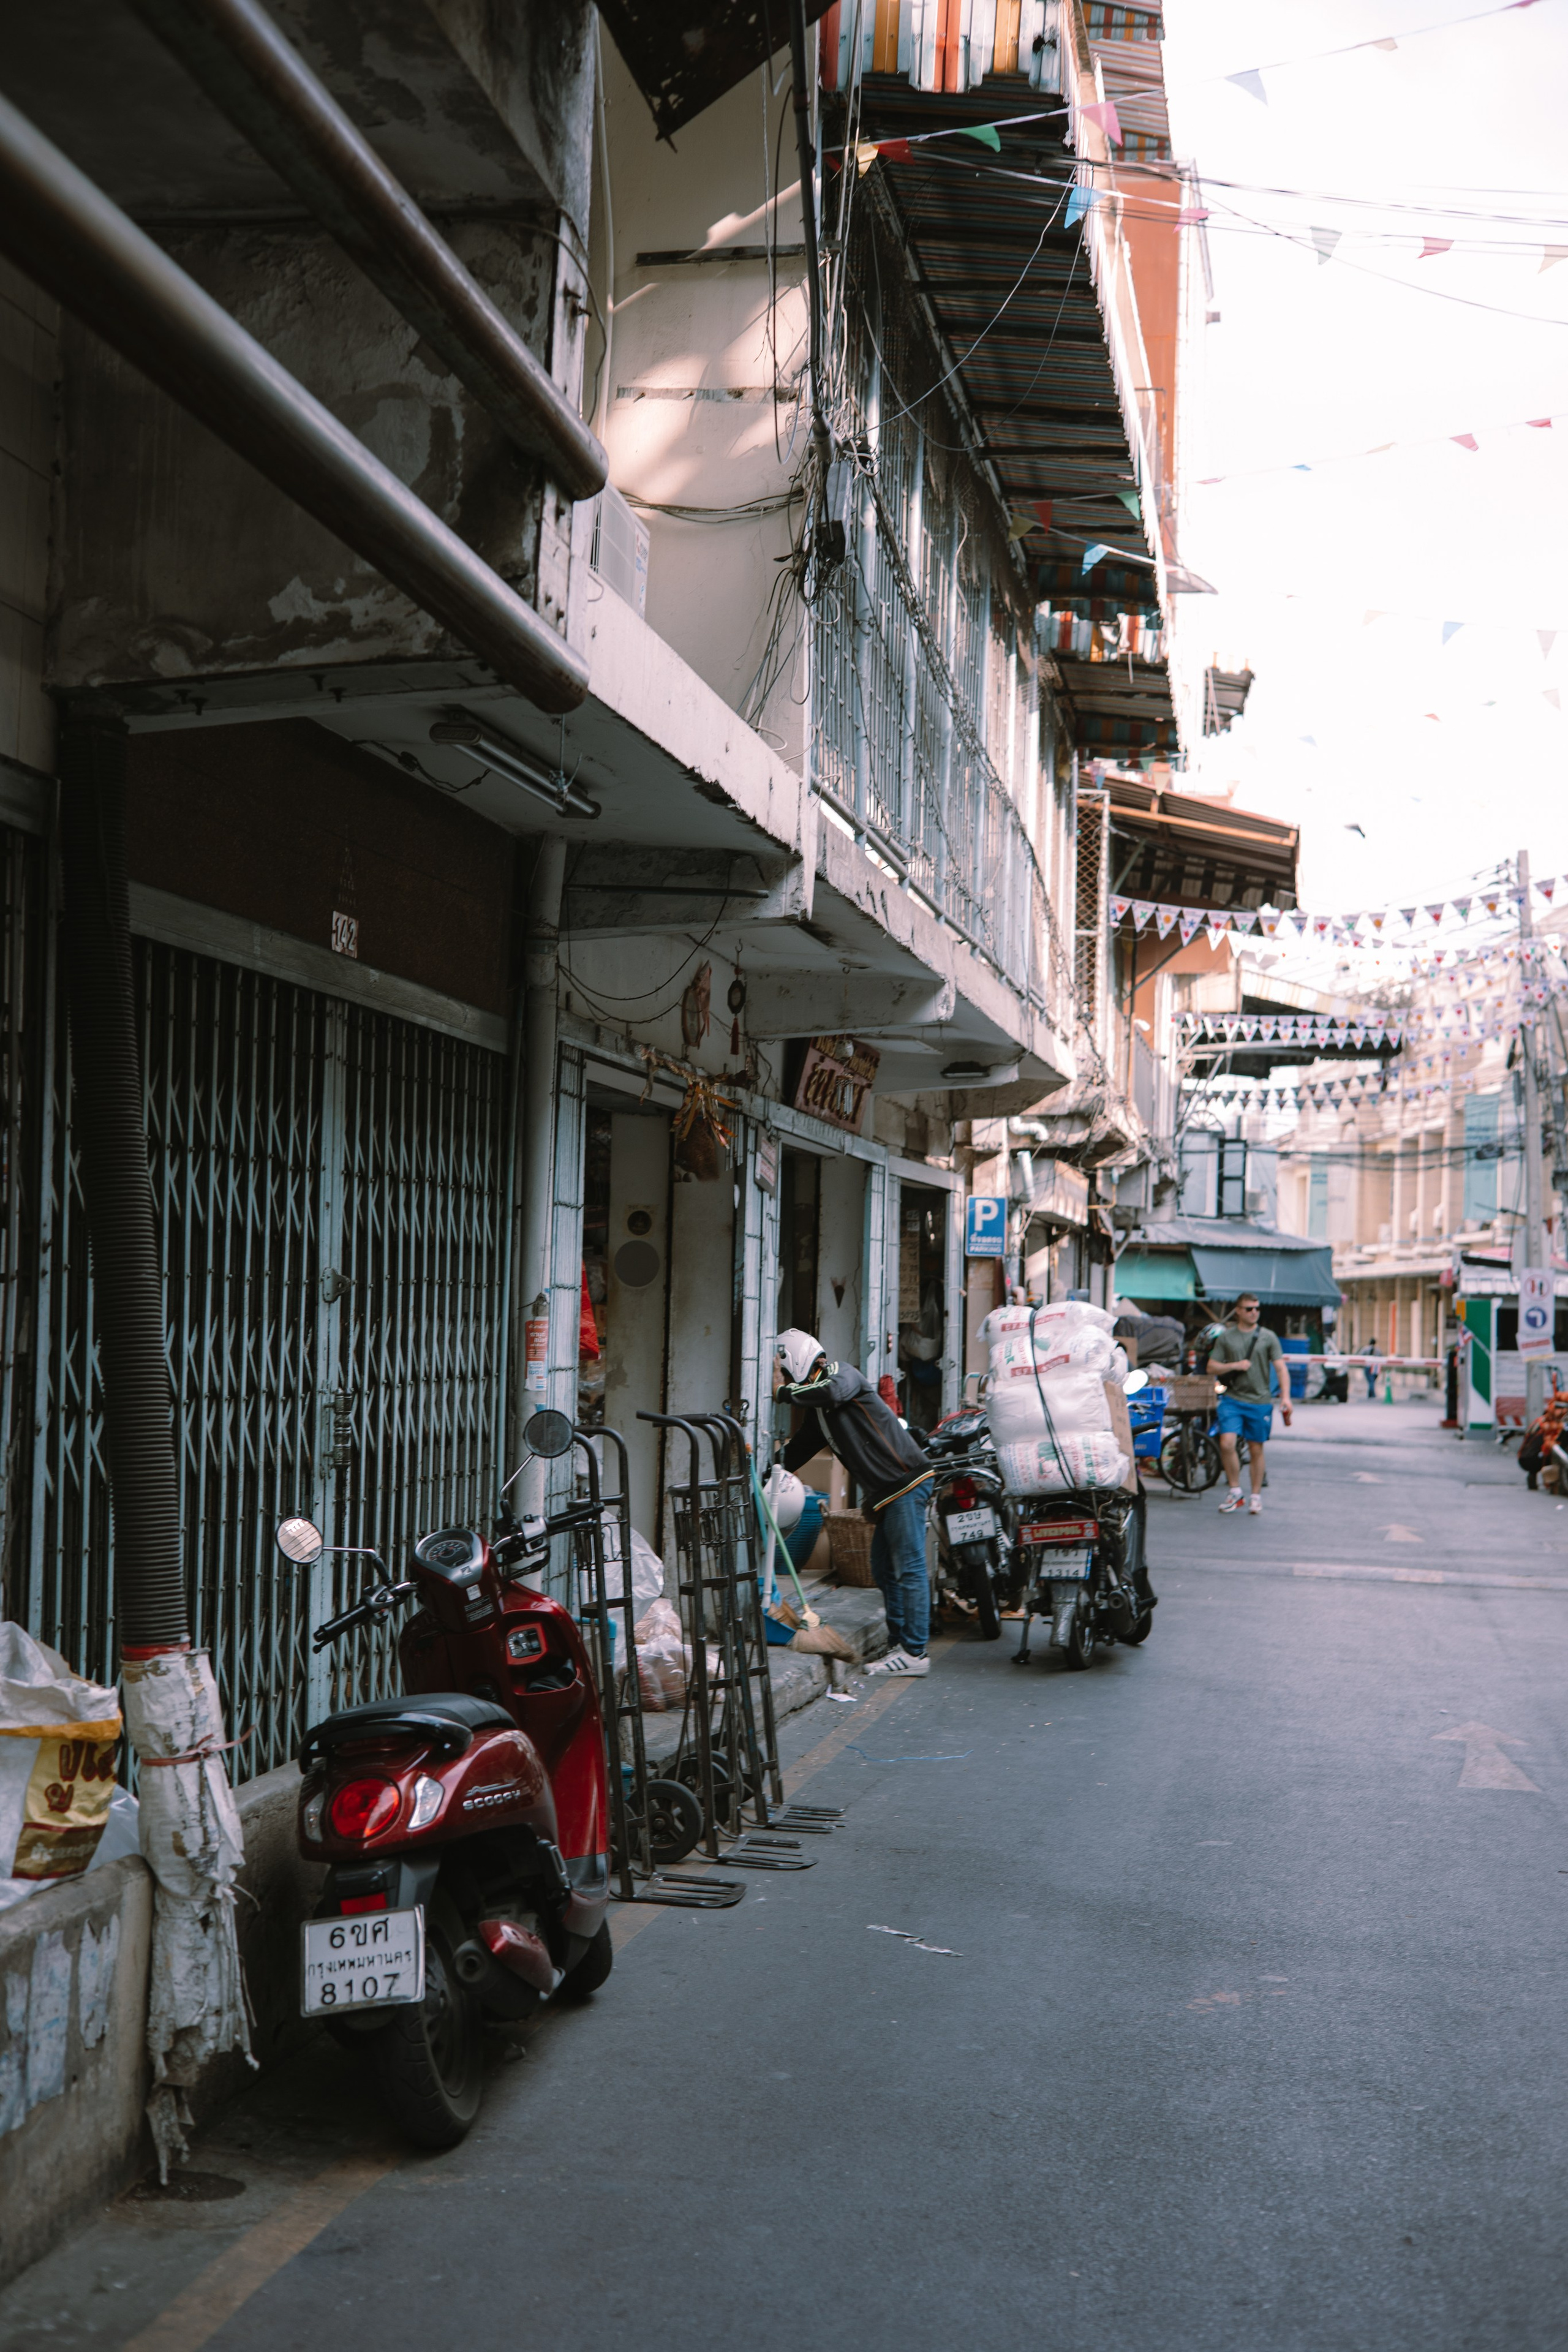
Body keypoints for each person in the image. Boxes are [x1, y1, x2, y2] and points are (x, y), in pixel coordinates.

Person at [774, 1328, 936, 1676]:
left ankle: (915, 1652)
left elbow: (832, 1391)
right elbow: (798, 1449)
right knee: (884, 1569)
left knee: (908, 1568)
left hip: (905, 1482)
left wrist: (783, 1392)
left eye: (786, 1372)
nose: (786, 1380)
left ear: (797, 1361)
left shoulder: (841, 1374)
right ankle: (900, 1642)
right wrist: (764, 1471)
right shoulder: (819, 1413)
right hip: (887, 1493)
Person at [1207, 1292, 1292, 1516]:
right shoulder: (1227, 1337)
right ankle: (1235, 1492)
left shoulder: (1268, 1337)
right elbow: (1212, 1367)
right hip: (1232, 1400)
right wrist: (1234, 1365)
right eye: (1249, 1309)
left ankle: (1255, 1496)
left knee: (1256, 1449)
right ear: (1238, 1311)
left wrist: (1286, 1397)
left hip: (1260, 1401)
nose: (1254, 1312)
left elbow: (1281, 1368)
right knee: (1227, 1443)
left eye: (1257, 1308)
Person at [1362, 1334, 1382, 1401]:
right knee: (1372, 1381)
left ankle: (1372, 1394)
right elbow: (1381, 1356)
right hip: (1375, 1367)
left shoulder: (1366, 1349)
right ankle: (1371, 1394)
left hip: (1368, 1366)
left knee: (1371, 1381)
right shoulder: (1378, 1350)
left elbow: (1361, 1355)